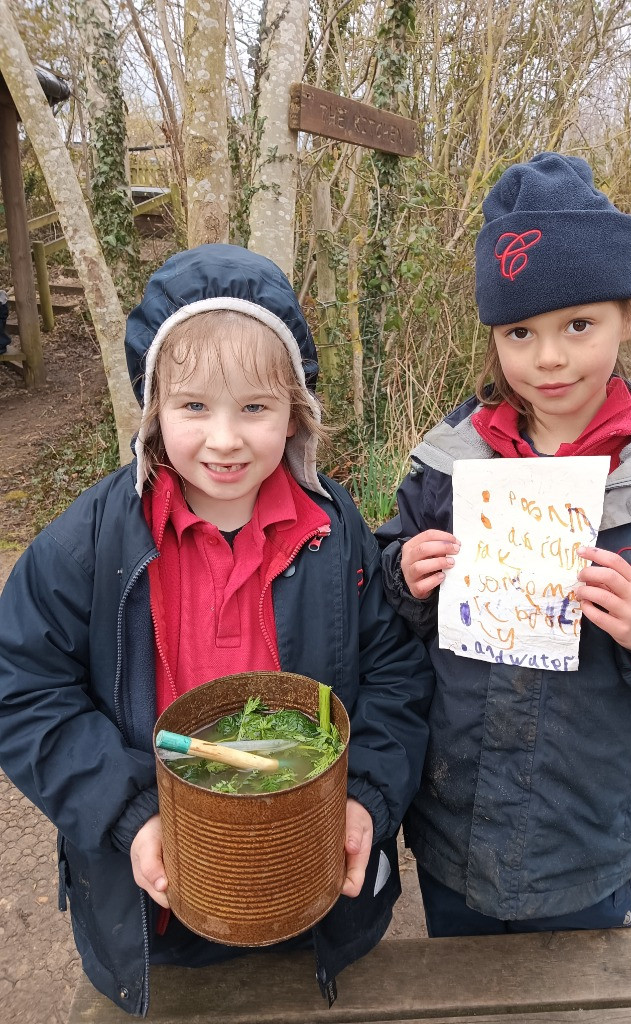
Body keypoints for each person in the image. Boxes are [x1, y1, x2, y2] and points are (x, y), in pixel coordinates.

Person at [0, 244, 434, 1016]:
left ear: (295, 412)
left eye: (255, 408)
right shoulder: (90, 546)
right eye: (194, 407)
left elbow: (396, 675)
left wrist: (362, 798)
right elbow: (23, 686)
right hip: (155, 903)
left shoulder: (338, 539)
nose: (226, 439)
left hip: (314, 896)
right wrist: (130, 818)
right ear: (152, 408)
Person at [376, 152, 631, 938]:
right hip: (455, 821)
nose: (548, 358)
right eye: (520, 332)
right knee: (465, 986)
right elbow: (384, 607)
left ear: (627, 316)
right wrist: (400, 574)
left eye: (577, 325)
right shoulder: (447, 465)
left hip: (586, 834)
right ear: (494, 336)